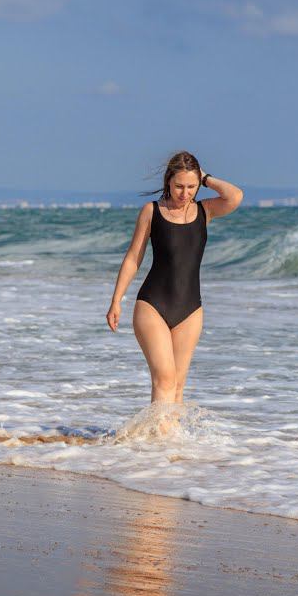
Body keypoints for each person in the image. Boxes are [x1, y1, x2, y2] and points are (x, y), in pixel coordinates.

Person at [107, 151, 243, 411]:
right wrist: (116, 301)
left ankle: (168, 447)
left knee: (178, 385)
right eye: (179, 185)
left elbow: (235, 196)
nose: (185, 193)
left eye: (191, 187)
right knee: (165, 379)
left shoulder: (205, 211)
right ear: (168, 181)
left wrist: (205, 179)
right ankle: (157, 446)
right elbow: (133, 258)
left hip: (190, 309)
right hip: (152, 305)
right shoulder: (152, 212)